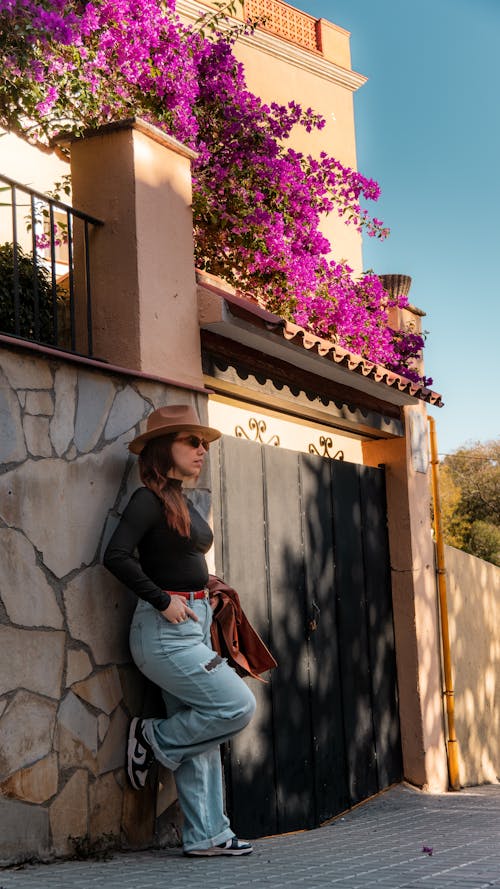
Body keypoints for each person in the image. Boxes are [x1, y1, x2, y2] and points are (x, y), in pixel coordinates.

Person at [103, 404, 256, 857]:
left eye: (203, 442)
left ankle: (207, 834)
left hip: (192, 625)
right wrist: (163, 599)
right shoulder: (146, 500)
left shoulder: (176, 500)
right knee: (236, 706)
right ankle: (153, 738)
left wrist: (203, 592)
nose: (202, 449)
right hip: (163, 633)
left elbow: (179, 558)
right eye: (191, 441)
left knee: (202, 737)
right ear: (161, 448)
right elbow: (116, 555)